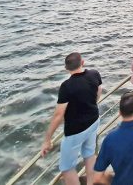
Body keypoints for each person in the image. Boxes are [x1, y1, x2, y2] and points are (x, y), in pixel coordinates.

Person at [40, 52, 102, 185]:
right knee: (90, 155)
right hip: (94, 120)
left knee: (67, 168)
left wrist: (47, 139)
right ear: (83, 62)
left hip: (75, 131)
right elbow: (99, 91)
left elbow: (58, 115)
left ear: (66, 69)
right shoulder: (94, 74)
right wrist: (91, 104)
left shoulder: (66, 86)